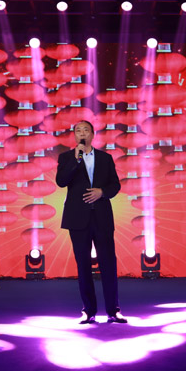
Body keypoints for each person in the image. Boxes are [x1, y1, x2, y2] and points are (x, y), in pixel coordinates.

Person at [55, 120, 127, 324]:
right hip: (78, 218)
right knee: (83, 264)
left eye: (86, 130)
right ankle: (88, 310)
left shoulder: (105, 158)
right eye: (78, 130)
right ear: (74, 136)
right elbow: (61, 181)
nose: (82, 133)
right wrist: (75, 160)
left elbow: (115, 185)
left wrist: (102, 192)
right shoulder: (67, 157)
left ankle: (114, 310)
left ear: (93, 134)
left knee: (108, 263)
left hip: (101, 217)